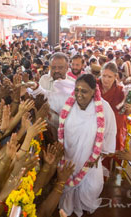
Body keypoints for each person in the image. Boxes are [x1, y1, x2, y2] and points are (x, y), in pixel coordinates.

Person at [30, 74, 117, 216]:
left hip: (90, 158)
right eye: (77, 90)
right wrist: (35, 88)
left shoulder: (104, 108)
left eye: (84, 91)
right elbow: (49, 96)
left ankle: (83, 207)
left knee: (92, 187)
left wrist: (100, 153)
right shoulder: (68, 103)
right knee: (66, 184)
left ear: (94, 91)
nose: (79, 94)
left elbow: (109, 132)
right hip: (69, 155)